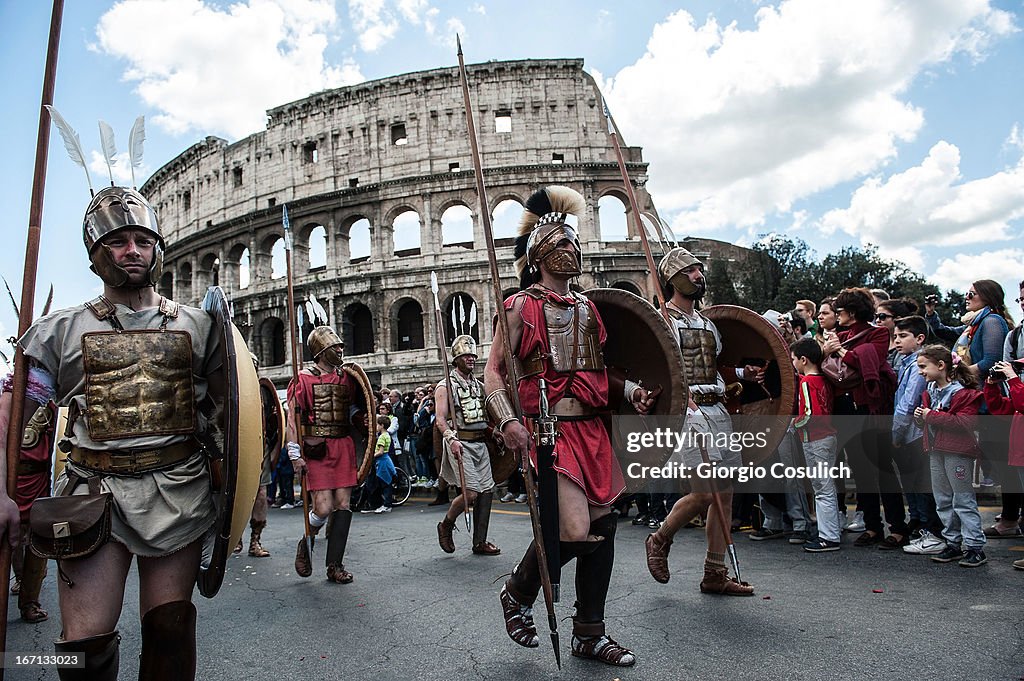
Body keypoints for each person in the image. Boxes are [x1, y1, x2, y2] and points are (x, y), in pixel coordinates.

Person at [0, 186, 221, 679]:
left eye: (143, 240)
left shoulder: (202, 327)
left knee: (170, 631)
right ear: (96, 257)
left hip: (179, 492)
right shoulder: (60, 332)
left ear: (158, 249)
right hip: (93, 495)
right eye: (118, 242)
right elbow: (9, 422)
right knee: (83, 648)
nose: (133, 250)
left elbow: (234, 416)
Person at [485, 185, 652, 667]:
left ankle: (589, 632)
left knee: (604, 525)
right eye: (560, 243)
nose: (572, 250)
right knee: (576, 528)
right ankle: (516, 592)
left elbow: (599, 373)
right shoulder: (520, 306)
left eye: (574, 243)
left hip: (592, 432)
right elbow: (495, 370)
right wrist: (508, 420)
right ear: (538, 255)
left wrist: (632, 392)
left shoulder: (588, 308)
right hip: (548, 432)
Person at [643, 247, 758, 596]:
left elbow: (713, 366)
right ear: (675, 279)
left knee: (724, 495)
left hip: (718, 410)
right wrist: (684, 401)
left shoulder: (707, 323)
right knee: (704, 491)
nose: (698, 275)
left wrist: (739, 376)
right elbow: (657, 367)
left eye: (699, 269)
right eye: (691, 270)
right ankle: (660, 538)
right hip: (690, 414)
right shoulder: (664, 321)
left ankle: (714, 572)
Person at [926, 281, 1017, 536]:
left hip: (991, 402)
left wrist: (960, 376)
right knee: (1000, 462)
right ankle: (1011, 514)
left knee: (1003, 462)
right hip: (980, 401)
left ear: (987, 297)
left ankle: (1010, 520)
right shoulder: (973, 324)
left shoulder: (991, 322)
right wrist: (931, 315)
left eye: (971, 294)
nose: (966, 297)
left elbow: (990, 361)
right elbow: (945, 332)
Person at [821, 287, 905, 548]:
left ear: (852, 312)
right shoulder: (840, 335)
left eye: (840, 311)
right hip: (846, 408)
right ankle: (872, 526)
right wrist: (827, 350)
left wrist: (842, 351)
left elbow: (873, 359)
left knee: (883, 468)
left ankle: (898, 527)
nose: (837, 315)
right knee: (860, 469)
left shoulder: (878, 333)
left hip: (871, 408)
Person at [288, 325, 370, 584]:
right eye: (335, 347)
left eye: (340, 346)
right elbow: (293, 419)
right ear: (321, 351)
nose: (340, 350)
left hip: (343, 444)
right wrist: (294, 454)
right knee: (323, 508)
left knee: (343, 506)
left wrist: (365, 421)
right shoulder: (302, 379)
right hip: (317, 449)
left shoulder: (346, 377)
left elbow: (355, 407)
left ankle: (335, 565)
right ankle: (307, 540)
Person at [913, 345, 987, 567]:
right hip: (936, 451)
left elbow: (964, 424)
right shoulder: (930, 391)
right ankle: (953, 542)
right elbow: (930, 420)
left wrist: (930, 416)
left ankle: (975, 547)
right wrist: (921, 418)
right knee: (943, 499)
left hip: (957, 452)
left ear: (941, 365)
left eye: (923, 367)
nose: (920, 372)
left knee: (963, 499)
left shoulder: (963, 393)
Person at [435, 335, 501, 555]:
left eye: (473, 355)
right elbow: (441, 420)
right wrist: (451, 439)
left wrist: (495, 432)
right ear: (456, 359)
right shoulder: (445, 386)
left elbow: (483, 416)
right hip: (460, 443)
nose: (471, 358)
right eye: (466, 355)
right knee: (471, 493)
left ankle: (479, 542)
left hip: (480, 443)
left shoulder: (480, 385)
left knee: (487, 492)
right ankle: (446, 524)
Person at [1, 369, 55, 622]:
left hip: (38, 478)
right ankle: (17, 577)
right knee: (10, 537)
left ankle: (29, 600)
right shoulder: (8, 398)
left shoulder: (46, 397)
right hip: (12, 478)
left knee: (36, 539)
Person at [890, 316, 944, 555]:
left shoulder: (917, 367)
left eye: (903, 336)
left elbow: (908, 403)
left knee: (921, 485)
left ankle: (930, 530)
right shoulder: (905, 362)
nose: (897, 340)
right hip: (906, 432)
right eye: (895, 336)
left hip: (912, 433)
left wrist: (896, 433)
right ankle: (920, 523)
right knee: (911, 484)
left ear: (920, 338)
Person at [789, 339, 840, 552]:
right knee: (826, 487)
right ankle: (829, 532)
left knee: (822, 488)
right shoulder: (823, 379)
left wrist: (794, 423)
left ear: (803, 359)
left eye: (793, 359)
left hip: (815, 439)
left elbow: (811, 414)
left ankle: (828, 536)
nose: (792, 363)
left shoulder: (807, 382)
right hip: (827, 437)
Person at [982, 358, 1024, 569]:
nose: (1020, 372)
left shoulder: (1020, 391)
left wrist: (1013, 379)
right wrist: (991, 385)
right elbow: (999, 408)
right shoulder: (1018, 393)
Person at [362, 414, 395, 514]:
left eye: (377, 425)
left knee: (385, 483)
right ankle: (385, 503)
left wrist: (371, 456)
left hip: (382, 461)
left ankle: (387, 504)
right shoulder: (387, 435)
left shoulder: (381, 437)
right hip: (386, 459)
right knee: (386, 482)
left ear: (382, 425)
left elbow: (380, 451)